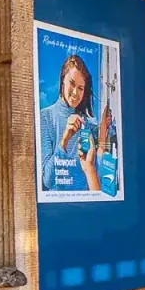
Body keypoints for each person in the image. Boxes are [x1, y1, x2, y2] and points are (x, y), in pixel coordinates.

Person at [38, 53, 106, 194]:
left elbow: (96, 165)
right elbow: (47, 180)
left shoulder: (86, 123)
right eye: (72, 83)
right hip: (61, 206)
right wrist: (64, 140)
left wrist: (105, 125)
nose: (75, 92)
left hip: (87, 201)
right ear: (63, 80)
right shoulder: (45, 117)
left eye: (81, 88)